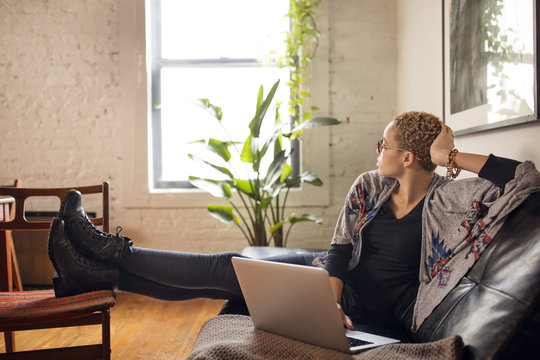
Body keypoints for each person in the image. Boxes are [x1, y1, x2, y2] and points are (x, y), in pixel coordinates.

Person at [47, 111, 540, 333]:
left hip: (372, 312)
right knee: (235, 277)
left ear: (410, 156)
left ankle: (104, 260)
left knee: (230, 268)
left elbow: (525, 179)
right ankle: (95, 270)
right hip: (328, 280)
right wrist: (327, 303)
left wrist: (450, 154)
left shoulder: (452, 202)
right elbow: (342, 248)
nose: (377, 151)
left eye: (385, 144)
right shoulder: (370, 185)